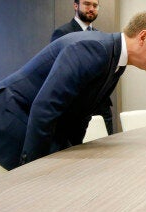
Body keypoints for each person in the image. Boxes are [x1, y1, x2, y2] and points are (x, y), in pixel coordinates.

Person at [0, 11, 146, 170]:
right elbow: (45, 107)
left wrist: (74, 151)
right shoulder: (94, 49)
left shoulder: (116, 60)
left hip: (34, 120)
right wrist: (32, 170)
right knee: (47, 184)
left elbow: (82, 113)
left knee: (72, 173)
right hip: (12, 116)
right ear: (143, 37)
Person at [52, 0, 114, 135]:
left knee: (108, 153)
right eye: (87, 4)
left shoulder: (102, 36)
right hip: (76, 107)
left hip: (101, 107)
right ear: (76, 6)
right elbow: (60, 73)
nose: (91, 8)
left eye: (95, 5)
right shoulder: (63, 33)